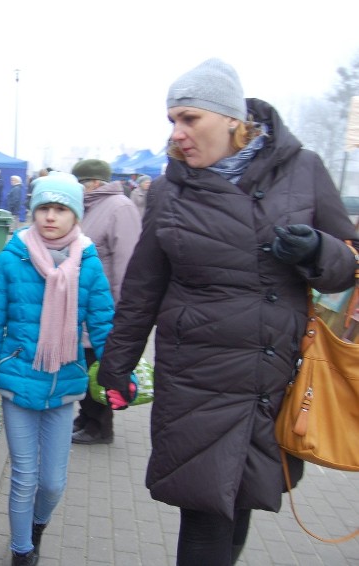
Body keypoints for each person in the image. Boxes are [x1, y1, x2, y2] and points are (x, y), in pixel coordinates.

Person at [96, 58, 358, 566]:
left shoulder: (302, 169)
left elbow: (348, 266)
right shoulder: (170, 189)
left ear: (232, 119)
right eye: (172, 120)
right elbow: (143, 289)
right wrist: (116, 365)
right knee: (204, 512)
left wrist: (316, 252)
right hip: (197, 377)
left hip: (273, 379)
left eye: (189, 118)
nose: (177, 133)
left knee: (240, 504)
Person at [0, 173, 115, 565]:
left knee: (52, 483)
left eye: (61, 209)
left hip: (63, 383)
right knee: (24, 477)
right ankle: (22, 553)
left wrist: (119, 377)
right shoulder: (10, 259)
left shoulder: (87, 263)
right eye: (44, 208)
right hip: (18, 381)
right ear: (33, 211)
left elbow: (104, 326)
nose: (51, 217)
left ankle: (36, 529)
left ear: (76, 215)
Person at [69, 158, 141, 445]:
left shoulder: (120, 208)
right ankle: (86, 417)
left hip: (106, 306)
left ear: (94, 183)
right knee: (87, 364)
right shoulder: (91, 207)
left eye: (80, 182)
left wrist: (125, 309)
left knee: (100, 367)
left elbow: (128, 262)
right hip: (86, 306)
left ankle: (100, 427)